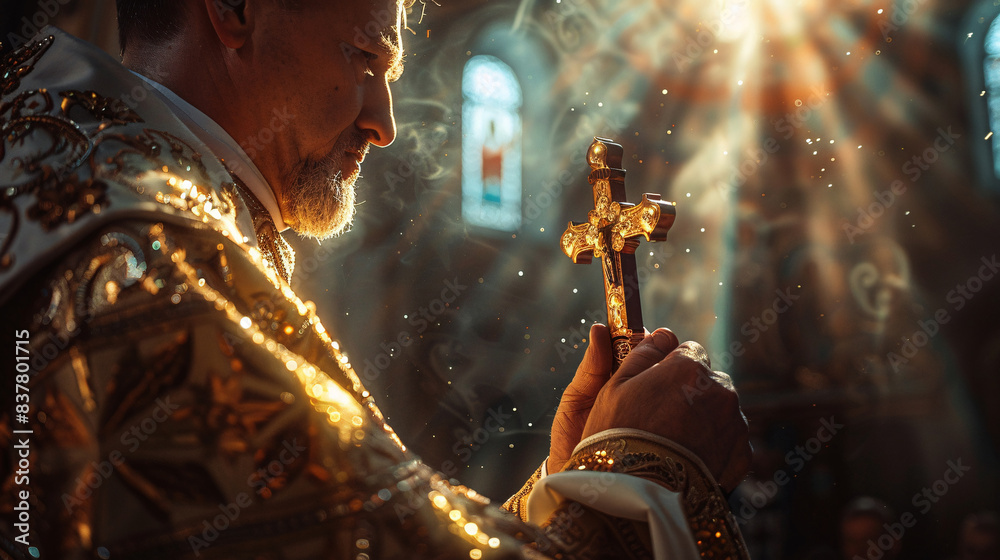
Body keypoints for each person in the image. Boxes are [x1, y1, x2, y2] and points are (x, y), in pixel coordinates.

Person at [0, 0, 752, 557]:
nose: (385, 122)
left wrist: (571, 484)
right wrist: (641, 473)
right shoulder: (145, 262)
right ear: (233, 12)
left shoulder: (78, 183)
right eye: (365, 57)